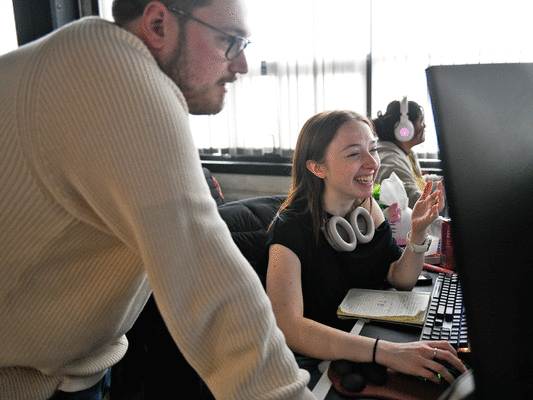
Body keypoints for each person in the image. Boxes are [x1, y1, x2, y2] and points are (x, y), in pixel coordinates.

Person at [0, 1, 314, 399]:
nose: (242, 65)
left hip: (75, 368)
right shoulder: (111, 75)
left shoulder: (91, 64)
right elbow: (211, 284)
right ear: (158, 24)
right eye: (229, 41)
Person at [259, 110, 467, 389]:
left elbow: (400, 278)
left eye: (373, 149)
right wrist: (387, 352)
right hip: (317, 358)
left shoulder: (366, 209)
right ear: (318, 168)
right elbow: (289, 327)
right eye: (354, 154)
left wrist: (417, 232)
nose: (372, 163)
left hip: (364, 336)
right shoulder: (289, 228)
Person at [373, 99, 443, 208]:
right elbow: (412, 200)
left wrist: (445, 181)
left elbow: (416, 182)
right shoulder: (391, 161)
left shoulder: (406, 153)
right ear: (405, 129)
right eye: (421, 121)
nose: (424, 126)